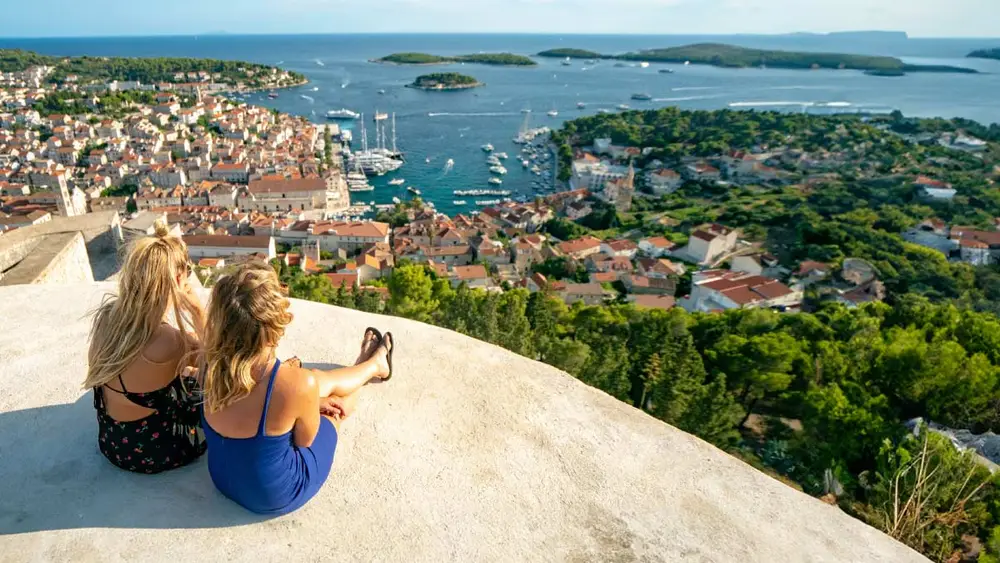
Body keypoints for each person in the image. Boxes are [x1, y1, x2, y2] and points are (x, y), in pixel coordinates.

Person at [200, 261, 394, 515]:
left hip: (223, 479)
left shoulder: (209, 364)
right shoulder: (295, 384)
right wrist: (309, 403)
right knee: (333, 410)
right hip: (272, 494)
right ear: (275, 324)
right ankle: (369, 367)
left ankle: (371, 365)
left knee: (307, 383)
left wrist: (302, 399)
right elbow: (304, 441)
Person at [84, 223, 207, 474]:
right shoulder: (171, 341)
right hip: (156, 452)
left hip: (112, 442)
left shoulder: (107, 318)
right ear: (178, 279)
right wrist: (197, 312)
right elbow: (216, 360)